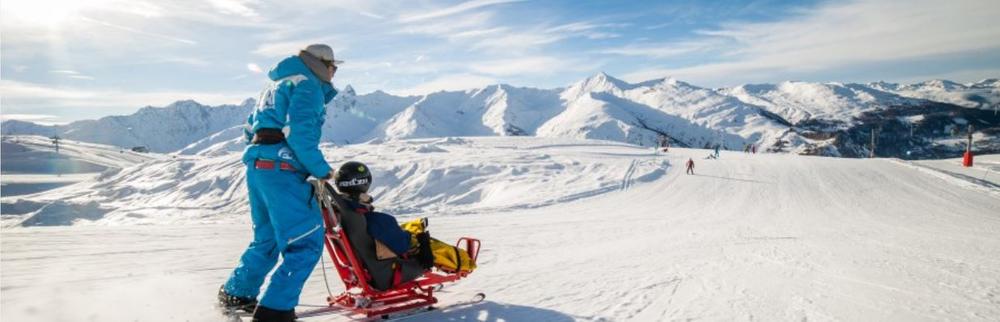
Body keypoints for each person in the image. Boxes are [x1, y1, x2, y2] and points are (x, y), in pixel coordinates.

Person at [218, 44, 342, 322]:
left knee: (268, 239)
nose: (335, 71)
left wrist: (266, 153)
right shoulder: (308, 85)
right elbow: (300, 135)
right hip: (282, 171)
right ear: (320, 63)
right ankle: (274, 313)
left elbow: (249, 129)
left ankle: (237, 295)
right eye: (333, 65)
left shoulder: (274, 85)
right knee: (305, 243)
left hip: (258, 167)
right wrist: (323, 171)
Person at [333, 161, 435, 269]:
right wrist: (423, 242)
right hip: (388, 266)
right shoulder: (376, 220)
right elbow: (402, 246)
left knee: (409, 228)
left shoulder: (341, 212)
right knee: (430, 243)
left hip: (364, 263)